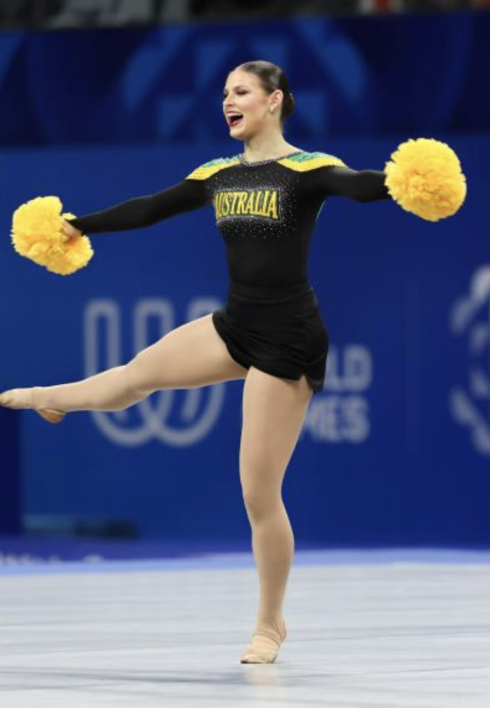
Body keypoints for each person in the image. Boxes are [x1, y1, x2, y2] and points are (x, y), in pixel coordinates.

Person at [1, 60, 399, 664]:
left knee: (258, 492)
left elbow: (361, 184)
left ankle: (270, 624)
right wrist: (77, 225)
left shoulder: (308, 170)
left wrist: (405, 181)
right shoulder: (215, 174)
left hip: (287, 338)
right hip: (235, 324)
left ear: (275, 101)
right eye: (224, 94)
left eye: (241, 92)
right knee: (135, 377)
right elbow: (150, 207)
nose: (228, 102)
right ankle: (51, 398)